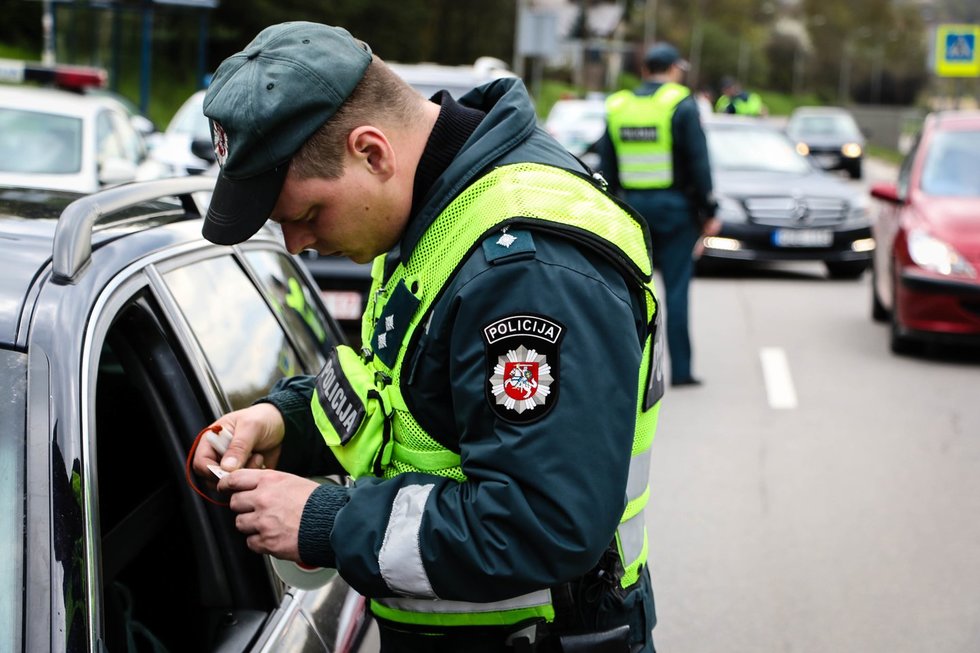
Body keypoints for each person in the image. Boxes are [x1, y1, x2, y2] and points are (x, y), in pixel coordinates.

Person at [193, 21, 664, 653]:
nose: (297, 243)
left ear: (372, 151)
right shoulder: (438, 212)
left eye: (305, 214)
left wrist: (327, 523)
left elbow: (541, 522)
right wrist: (287, 423)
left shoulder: (525, 270)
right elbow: (407, 400)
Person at [596, 42, 719, 387]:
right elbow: (699, 162)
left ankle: (625, 373)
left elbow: (606, 166)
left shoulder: (618, 105)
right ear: (673, 70)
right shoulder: (681, 103)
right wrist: (709, 210)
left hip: (632, 211)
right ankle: (680, 371)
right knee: (676, 289)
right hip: (675, 210)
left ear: (645, 70)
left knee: (628, 292)